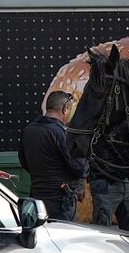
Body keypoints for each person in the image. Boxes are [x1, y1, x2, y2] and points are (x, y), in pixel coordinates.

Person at [19, 90, 89, 221]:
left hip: (37, 201)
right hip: (60, 204)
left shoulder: (28, 130)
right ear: (65, 109)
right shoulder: (61, 134)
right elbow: (80, 168)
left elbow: (24, 163)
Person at [89, 122, 129, 235]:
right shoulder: (97, 120)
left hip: (124, 178)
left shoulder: (126, 122)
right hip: (104, 179)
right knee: (101, 230)